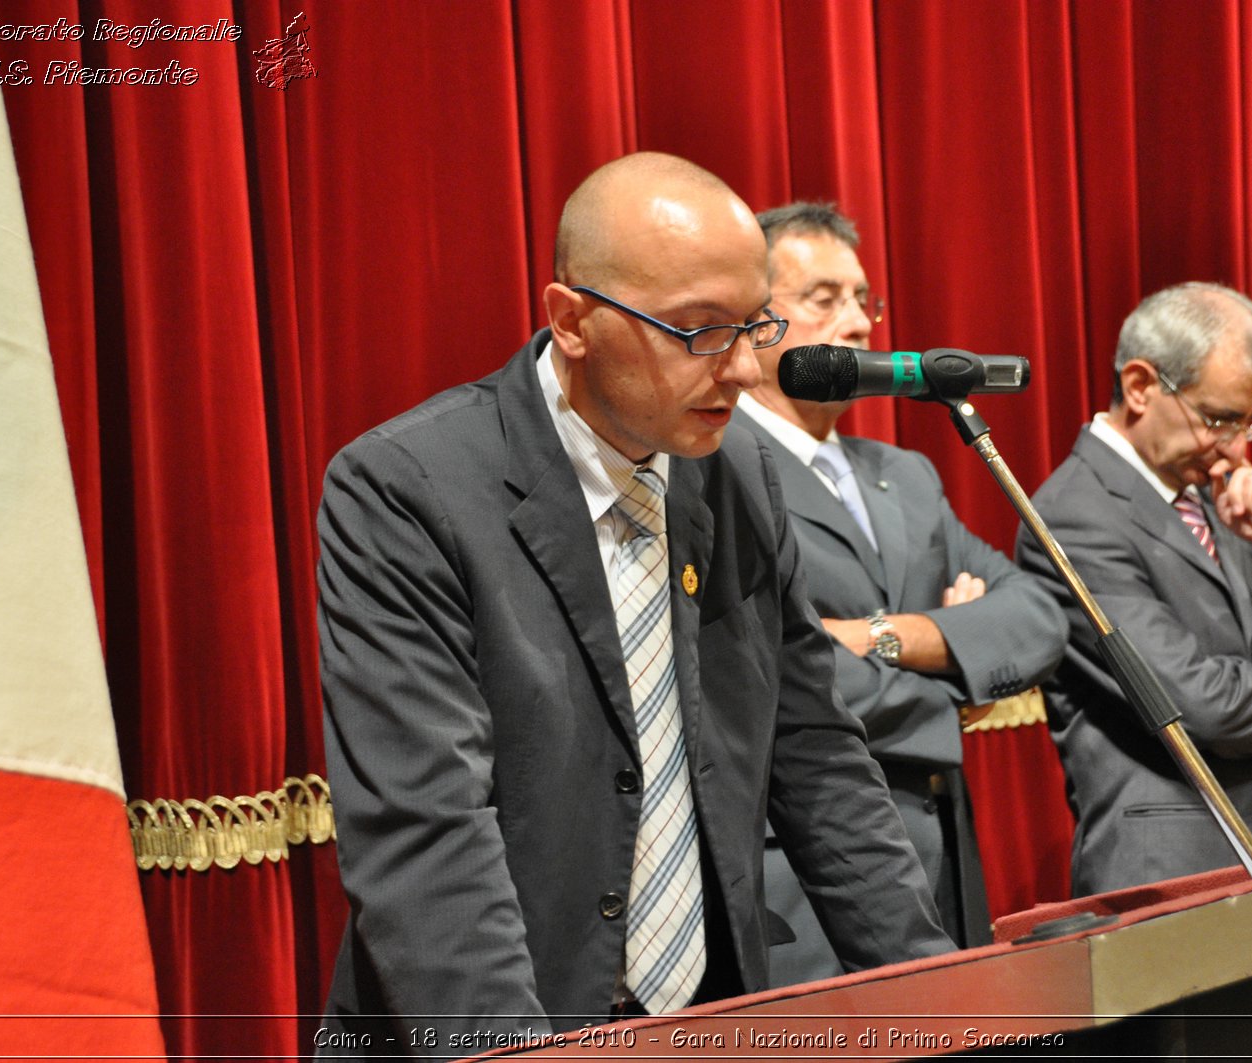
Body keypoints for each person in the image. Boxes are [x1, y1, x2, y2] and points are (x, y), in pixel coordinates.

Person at [315, 153, 952, 1052]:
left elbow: (816, 757)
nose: (741, 369)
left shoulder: (739, 478)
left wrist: (941, 1009)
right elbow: (427, 832)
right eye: (698, 331)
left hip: (708, 1018)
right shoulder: (408, 489)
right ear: (571, 320)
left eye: (753, 323)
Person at [730, 202, 1066, 978]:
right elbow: (783, 675)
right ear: (754, 322)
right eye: (823, 298)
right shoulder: (719, 467)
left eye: (864, 301)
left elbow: (1038, 614)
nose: (856, 324)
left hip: (938, 859)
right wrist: (959, 681)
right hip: (798, 874)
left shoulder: (904, 474)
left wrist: (889, 636)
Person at [1015, 282, 1252, 896]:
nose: (1236, 446)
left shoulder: (1218, 495)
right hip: (1175, 873)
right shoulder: (1073, 514)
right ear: (1140, 386)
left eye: (1251, 420)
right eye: (1218, 419)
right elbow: (1191, 699)